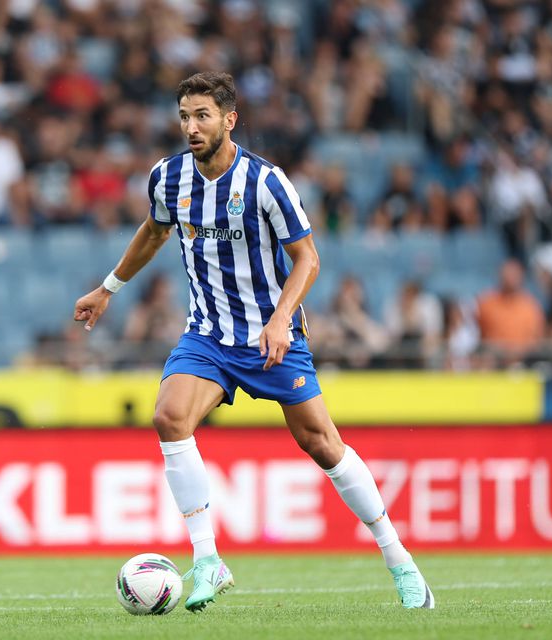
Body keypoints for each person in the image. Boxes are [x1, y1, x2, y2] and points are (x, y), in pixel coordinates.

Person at [73, 72, 433, 612]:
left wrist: (283, 318)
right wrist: (109, 288)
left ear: (229, 120)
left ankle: (399, 560)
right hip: (208, 336)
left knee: (323, 445)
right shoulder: (167, 179)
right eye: (184, 117)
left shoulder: (266, 182)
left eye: (202, 116)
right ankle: (208, 561)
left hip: (271, 339)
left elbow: (308, 258)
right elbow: (154, 231)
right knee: (169, 417)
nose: (191, 127)